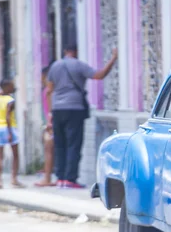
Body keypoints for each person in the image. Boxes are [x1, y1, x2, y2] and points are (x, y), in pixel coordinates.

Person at [45, 44, 118, 189]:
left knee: (60, 144)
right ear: (76, 51)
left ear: (65, 51)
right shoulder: (79, 65)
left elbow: (49, 91)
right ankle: (70, 179)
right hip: (74, 108)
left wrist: (50, 113)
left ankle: (60, 177)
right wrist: (113, 58)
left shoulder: (54, 66)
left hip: (58, 109)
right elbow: (99, 75)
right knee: (73, 143)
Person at [0, 78, 24, 189]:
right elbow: (8, 116)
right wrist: (10, 132)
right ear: (6, 87)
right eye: (11, 85)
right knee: (16, 155)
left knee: (0, 155)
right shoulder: (10, 100)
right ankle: (14, 179)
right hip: (9, 128)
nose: (13, 88)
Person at [35, 65, 55, 187]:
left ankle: (47, 177)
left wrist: (49, 121)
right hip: (48, 122)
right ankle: (47, 174)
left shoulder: (49, 91)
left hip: (50, 122)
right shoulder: (48, 90)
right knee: (48, 149)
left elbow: (50, 110)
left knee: (49, 150)